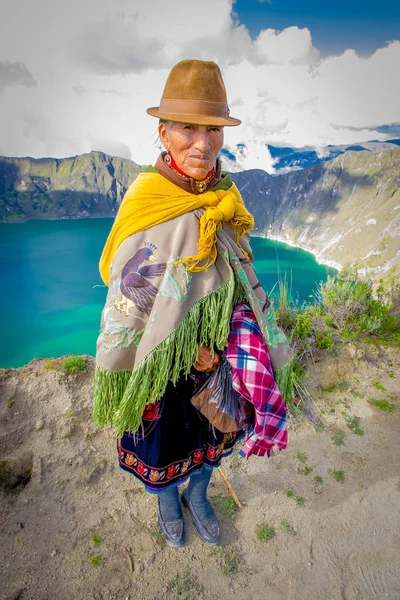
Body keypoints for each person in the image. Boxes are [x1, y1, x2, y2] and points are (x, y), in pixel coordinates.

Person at [93, 60, 292, 548]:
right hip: (160, 362)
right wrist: (176, 349)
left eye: (213, 130)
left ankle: (198, 496)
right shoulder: (149, 201)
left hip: (216, 355)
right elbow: (131, 293)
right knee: (164, 445)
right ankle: (168, 501)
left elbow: (238, 274)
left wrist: (225, 342)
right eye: (187, 128)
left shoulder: (224, 195)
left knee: (213, 436)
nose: (202, 143)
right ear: (163, 132)